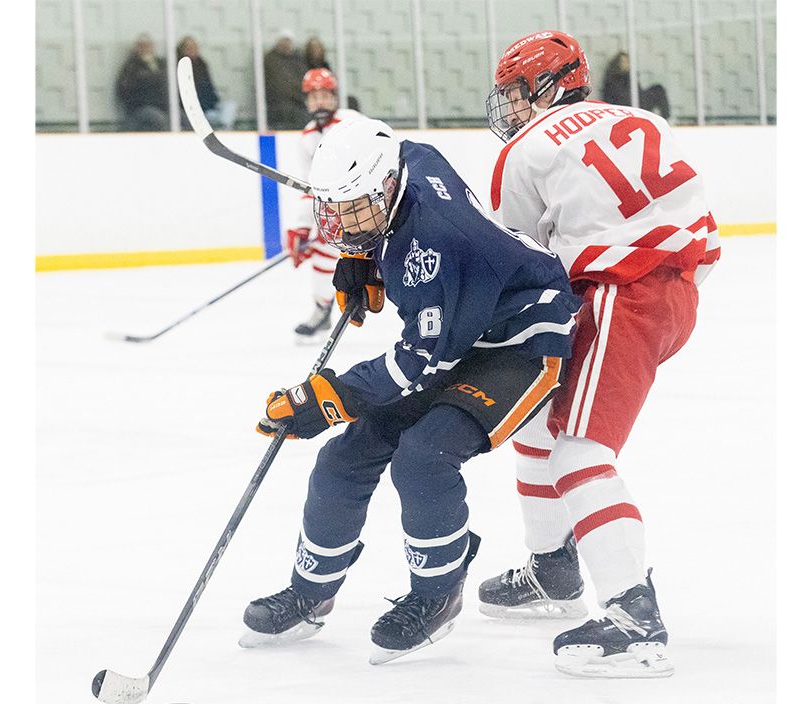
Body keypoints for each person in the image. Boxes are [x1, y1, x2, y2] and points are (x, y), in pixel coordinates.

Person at [238, 118, 580, 664]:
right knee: (346, 454)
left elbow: (414, 364)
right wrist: (362, 255)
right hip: (463, 326)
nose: (342, 221)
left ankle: (436, 593)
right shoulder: (407, 162)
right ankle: (310, 592)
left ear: (386, 187)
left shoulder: (438, 246)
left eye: (354, 209)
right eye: (336, 208)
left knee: (424, 457)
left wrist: (328, 398)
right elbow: (409, 147)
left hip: (521, 341)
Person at [482, 30, 720, 677]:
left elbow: (516, 264)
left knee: (580, 454)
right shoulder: (644, 118)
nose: (510, 106)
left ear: (546, 86)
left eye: (515, 92)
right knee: (537, 417)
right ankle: (553, 570)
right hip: (677, 291)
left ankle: (632, 618)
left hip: (621, 296)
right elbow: (698, 225)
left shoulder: (525, 150)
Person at [286, 69, 363, 341]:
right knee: (321, 249)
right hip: (340, 210)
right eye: (314, 97)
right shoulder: (307, 138)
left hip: (368, 204)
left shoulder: (352, 121)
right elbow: (310, 189)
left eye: (325, 95)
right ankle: (322, 309)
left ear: (334, 97)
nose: (319, 102)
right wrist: (302, 228)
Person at [176, 36, 237, 130]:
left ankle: (224, 128)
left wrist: (214, 102)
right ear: (182, 50)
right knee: (212, 116)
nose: (193, 50)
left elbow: (209, 87)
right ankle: (221, 127)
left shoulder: (202, 64)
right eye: (189, 48)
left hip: (209, 106)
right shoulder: (180, 67)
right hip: (195, 111)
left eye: (195, 47)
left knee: (230, 105)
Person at [116, 34, 169, 131]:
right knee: (159, 119)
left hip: (163, 106)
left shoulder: (161, 63)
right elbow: (125, 89)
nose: (146, 49)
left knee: (184, 118)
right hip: (141, 107)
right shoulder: (131, 66)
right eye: (142, 46)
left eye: (148, 46)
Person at [601, 51, 671, 120]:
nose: (626, 64)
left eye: (628, 62)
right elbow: (619, 96)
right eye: (623, 62)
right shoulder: (612, 78)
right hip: (624, 106)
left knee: (658, 89)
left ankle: (666, 119)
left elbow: (639, 92)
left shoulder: (630, 75)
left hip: (638, 101)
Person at [263, 31, 307, 130]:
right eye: (283, 41)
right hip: (277, 106)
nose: (286, 44)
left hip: (298, 105)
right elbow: (280, 84)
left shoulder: (298, 59)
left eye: (288, 41)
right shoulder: (271, 59)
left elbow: (303, 79)